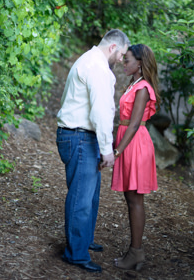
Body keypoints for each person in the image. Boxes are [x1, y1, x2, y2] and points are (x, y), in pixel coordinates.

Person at [56, 29, 130, 273]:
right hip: (79, 136)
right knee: (81, 197)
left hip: (83, 137)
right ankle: (76, 254)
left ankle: (84, 240)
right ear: (112, 47)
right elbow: (100, 111)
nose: (121, 60)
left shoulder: (92, 60)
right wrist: (107, 149)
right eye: (120, 55)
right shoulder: (96, 66)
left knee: (91, 195)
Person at [110, 44, 159, 271]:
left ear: (139, 63)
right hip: (128, 141)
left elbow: (135, 123)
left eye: (127, 59)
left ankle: (136, 252)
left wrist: (118, 150)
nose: (124, 62)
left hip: (135, 144)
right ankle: (135, 251)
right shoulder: (134, 84)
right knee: (131, 200)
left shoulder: (143, 88)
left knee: (135, 200)